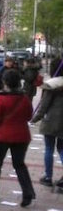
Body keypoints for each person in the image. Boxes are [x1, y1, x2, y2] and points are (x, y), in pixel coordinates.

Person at [0, 69, 35, 207]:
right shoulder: (24, 98)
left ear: (5, 82)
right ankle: (27, 192)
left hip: (2, 136)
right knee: (19, 165)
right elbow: (28, 116)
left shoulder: (0, 98)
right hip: (22, 136)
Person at [31, 57, 63, 190]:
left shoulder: (51, 84)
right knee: (61, 149)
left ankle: (48, 177)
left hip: (51, 121)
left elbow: (44, 105)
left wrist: (34, 119)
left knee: (49, 149)